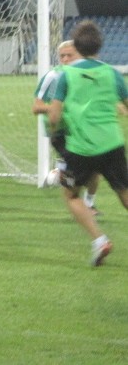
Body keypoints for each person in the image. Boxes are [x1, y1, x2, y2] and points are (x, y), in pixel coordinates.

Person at [48, 20, 128, 267]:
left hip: (81, 148)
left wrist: (59, 133)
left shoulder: (66, 75)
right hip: (112, 144)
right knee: (124, 193)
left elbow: (53, 116)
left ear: (76, 47)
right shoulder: (113, 74)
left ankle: (99, 240)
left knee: (71, 195)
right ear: (100, 45)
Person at [32, 40, 99, 212]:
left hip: (81, 129)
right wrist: (57, 108)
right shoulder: (52, 77)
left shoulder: (86, 76)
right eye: (62, 56)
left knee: (95, 167)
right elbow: (37, 107)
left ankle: (88, 203)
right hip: (60, 131)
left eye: (70, 55)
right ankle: (64, 178)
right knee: (80, 170)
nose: (66, 59)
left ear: (79, 55)